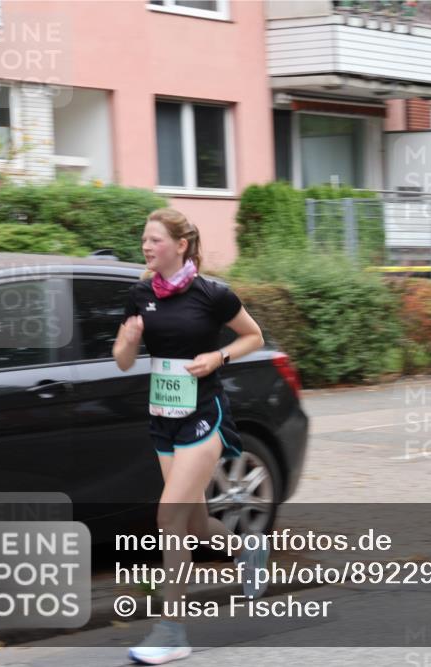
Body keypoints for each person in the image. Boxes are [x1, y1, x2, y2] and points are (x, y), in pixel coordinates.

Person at [113, 208, 270, 664]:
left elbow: (253, 337)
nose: (146, 246)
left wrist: (217, 357)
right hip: (164, 415)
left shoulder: (212, 293)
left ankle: (172, 631)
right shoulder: (140, 295)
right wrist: (128, 338)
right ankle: (247, 547)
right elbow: (123, 360)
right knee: (196, 526)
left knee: (170, 517)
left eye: (155, 240)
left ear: (181, 245)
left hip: (205, 414)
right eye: (144, 239)